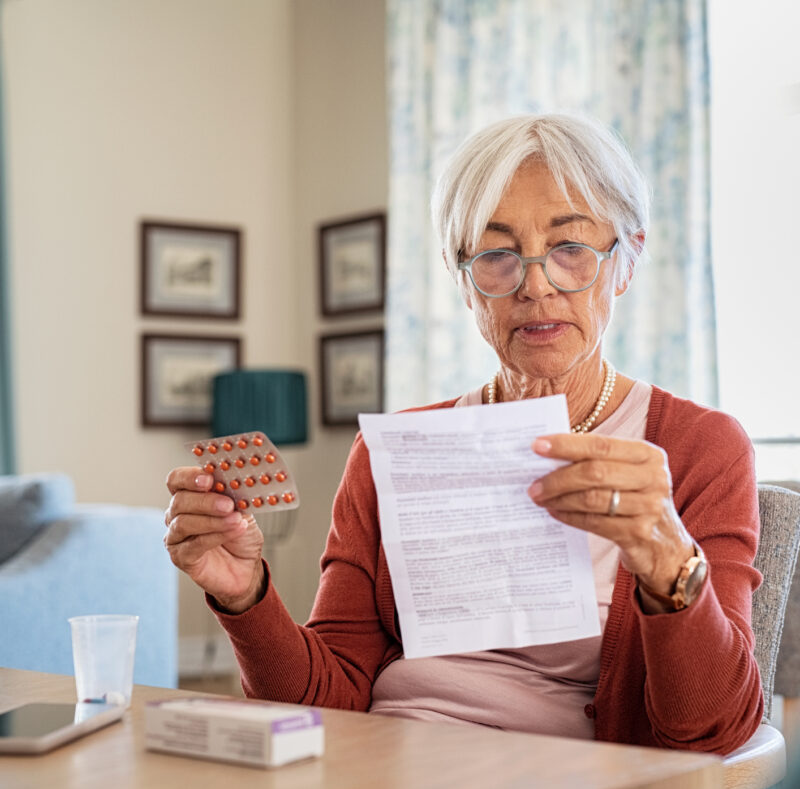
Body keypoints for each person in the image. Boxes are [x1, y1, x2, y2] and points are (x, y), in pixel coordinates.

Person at [164, 113, 762, 755]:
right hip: (380, 765)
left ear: (626, 262)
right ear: (463, 279)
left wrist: (669, 560)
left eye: (570, 250)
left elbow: (714, 730)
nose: (536, 285)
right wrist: (246, 596)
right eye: (498, 256)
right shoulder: (391, 453)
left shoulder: (701, 449)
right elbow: (325, 703)